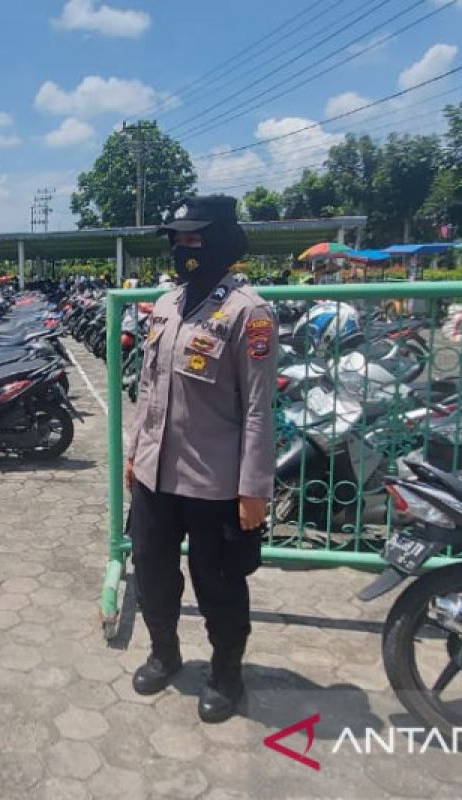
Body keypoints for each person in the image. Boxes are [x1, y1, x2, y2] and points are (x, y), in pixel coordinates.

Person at [125, 195, 277, 723]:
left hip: (214, 483)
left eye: (194, 239)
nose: (183, 248)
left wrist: (254, 488)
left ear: (221, 242)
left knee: (219, 585)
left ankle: (227, 674)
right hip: (155, 475)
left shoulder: (247, 313)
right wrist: (133, 455)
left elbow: (259, 408)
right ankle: (164, 652)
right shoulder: (166, 304)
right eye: (177, 239)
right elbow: (148, 389)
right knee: (152, 573)